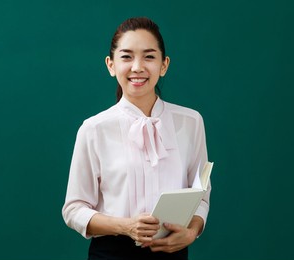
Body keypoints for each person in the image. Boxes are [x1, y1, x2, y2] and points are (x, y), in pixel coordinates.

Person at [62, 17, 210, 260]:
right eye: (127, 56)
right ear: (111, 65)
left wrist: (192, 231)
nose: (138, 67)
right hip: (112, 253)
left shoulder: (191, 122)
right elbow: (73, 209)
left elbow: (201, 193)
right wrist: (126, 226)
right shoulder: (94, 128)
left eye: (149, 57)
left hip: (172, 251)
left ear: (164, 65)